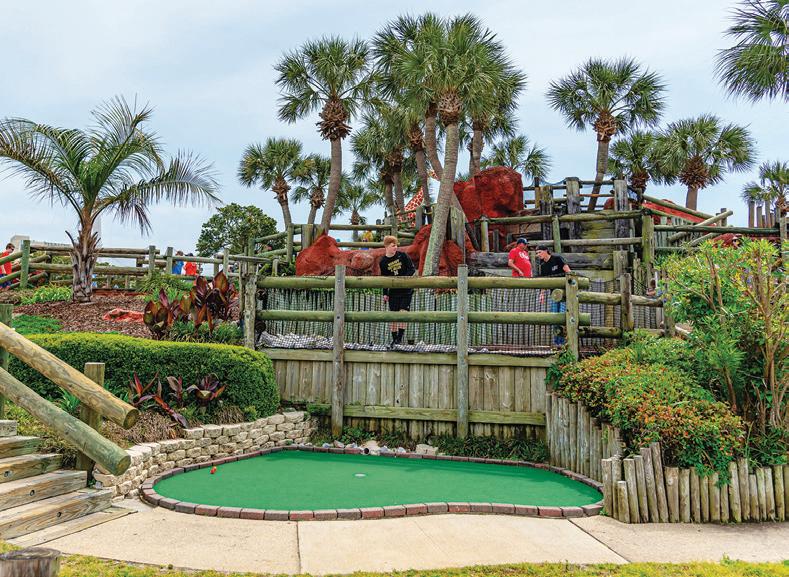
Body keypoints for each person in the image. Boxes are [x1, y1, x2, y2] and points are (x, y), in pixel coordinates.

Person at [378, 235, 416, 347]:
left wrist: (402, 280)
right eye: (393, 245)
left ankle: (399, 339)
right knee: (393, 316)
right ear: (386, 246)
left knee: (403, 314)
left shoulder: (402, 256)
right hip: (393, 292)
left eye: (396, 245)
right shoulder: (383, 262)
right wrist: (385, 293)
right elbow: (384, 278)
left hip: (406, 290)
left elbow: (412, 269)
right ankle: (394, 339)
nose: (395, 247)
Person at [535, 245, 571, 346]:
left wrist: (571, 288)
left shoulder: (557, 259)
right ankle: (557, 343)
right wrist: (542, 294)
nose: (538, 255)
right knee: (555, 318)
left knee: (563, 317)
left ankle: (564, 343)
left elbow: (568, 271)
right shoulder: (542, 265)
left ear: (546, 251)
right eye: (537, 253)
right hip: (554, 295)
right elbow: (544, 281)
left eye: (540, 252)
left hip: (564, 294)